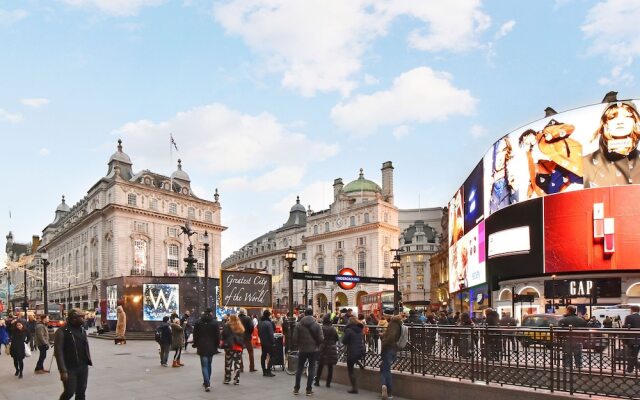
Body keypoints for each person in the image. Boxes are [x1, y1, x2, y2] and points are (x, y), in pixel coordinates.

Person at [584, 100, 640, 188]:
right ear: (605, 124)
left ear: (635, 122)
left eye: (627, 116)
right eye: (612, 117)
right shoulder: (585, 163)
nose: (620, 121)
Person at [54, 309, 92, 400]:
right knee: (69, 392)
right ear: (74, 318)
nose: (84, 319)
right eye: (82, 317)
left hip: (83, 366)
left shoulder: (82, 330)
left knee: (81, 391)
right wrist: (63, 370)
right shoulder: (62, 331)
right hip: (69, 368)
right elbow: (58, 352)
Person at [293, 307, 323, 396]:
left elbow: (294, 339)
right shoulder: (317, 325)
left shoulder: (298, 324)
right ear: (312, 313)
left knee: (299, 368)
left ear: (305, 314)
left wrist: (299, 344)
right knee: (312, 368)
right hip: (313, 350)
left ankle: (296, 389)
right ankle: (308, 390)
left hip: (302, 349)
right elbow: (321, 339)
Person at [192, 308, 220, 392]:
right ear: (211, 313)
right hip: (212, 346)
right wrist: (217, 344)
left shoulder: (198, 322)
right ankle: (207, 381)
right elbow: (217, 335)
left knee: (204, 365)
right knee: (209, 364)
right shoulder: (215, 323)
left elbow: (195, 334)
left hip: (201, 346)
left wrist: (195, 344)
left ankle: (207, 383)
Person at [489, 137, 518, 213]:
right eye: (498, 152)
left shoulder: (512, 176)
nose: (501, 157)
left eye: (504, 150)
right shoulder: (488, 183)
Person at [380, 310, 402, 400]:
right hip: (393, 348)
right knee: (384, 368)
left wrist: (384, 342)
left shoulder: (393, 323)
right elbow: (391, 334)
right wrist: (384, 334)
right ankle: (386, 389)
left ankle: (387, 389)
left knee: (385, 370)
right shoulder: (397, 323)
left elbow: (391, 336)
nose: (384, 317)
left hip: (389, 348)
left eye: (385, 316)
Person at [342, 316, 365, 394]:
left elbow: (344, 341)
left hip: (352, 351)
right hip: (361, 350)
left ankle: (354, 388)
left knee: (350, 370)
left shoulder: (349, 330)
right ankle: (360, 364)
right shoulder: (360, 329)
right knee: (354, 357)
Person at [315, 314, 338, 387]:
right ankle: (328, 383)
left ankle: (317, 381)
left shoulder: (321, 328)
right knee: (330, 367)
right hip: (331, 348)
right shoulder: (333, 328)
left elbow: (318, 338)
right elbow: (336, 338)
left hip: (323, 348)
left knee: (320, 366)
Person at [222, 314, 245, 385]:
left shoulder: (227, 326)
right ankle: (236, 379)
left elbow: (223, 335)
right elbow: (242, 337)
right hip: (238, 347)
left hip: (229, 347)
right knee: (237, 363)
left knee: (228, 363)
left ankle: (227, 378)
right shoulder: (240, 327)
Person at [257, 309, 276, 377]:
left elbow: (258, 332)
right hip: (269, 342)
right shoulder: (269, 323)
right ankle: (268, 370)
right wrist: (273, 341)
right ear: (269, 315)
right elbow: (271, 334)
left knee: (263, 356)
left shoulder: (260, 323)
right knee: (273, 356)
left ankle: (264, 370)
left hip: (263, 342)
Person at [622, 305, 640, 373]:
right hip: (638, 339)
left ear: (632, 310)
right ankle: (629, 369)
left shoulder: (629, 317)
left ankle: (630, 369)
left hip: (631, 339)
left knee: (630, 356)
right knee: (634, 355)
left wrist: (624, 340)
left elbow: (626, 329)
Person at [238, 308, 256, 372]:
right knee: (250, 352)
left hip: (239, 337)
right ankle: (251, 367)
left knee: (240, 353)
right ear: (244, 312)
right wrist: (249, 333)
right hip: (247, 337)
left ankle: (241, 367)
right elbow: (251, 327)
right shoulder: (248, 318)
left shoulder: (237, 319)